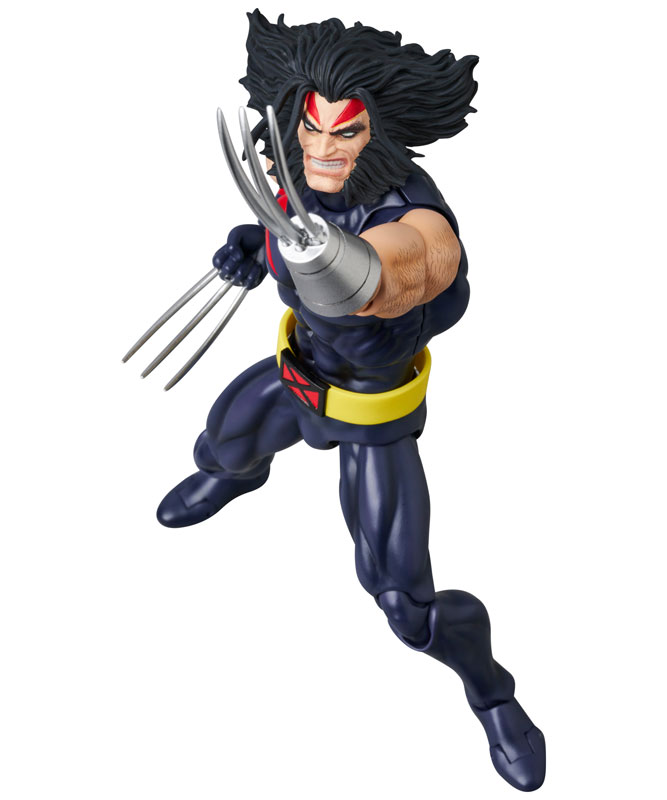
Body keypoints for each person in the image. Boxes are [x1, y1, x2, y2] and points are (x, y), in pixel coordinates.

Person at [156, 11, 546, 792]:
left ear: (378, 134)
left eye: (347, 131)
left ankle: (492, 696)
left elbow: (417, 261)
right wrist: (251, 243)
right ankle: (236, 476)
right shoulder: (299, 176)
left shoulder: (408, 209)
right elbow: (278, 219)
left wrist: (355, 270)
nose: (324, 149)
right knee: (221, 445)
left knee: (404, 603)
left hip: (374, 415)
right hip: (294, 374)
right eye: (312, 127)